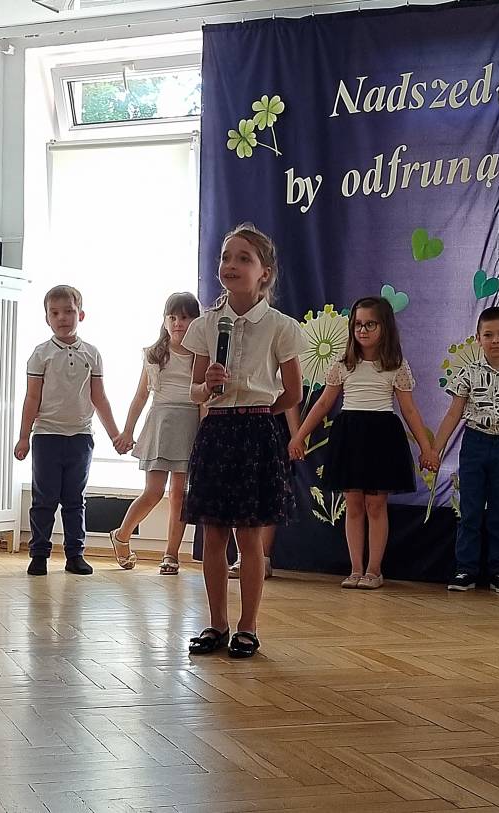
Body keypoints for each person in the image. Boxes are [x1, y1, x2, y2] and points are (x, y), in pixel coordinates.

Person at [184, 223, 305, 659]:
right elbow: (194, 390)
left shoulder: (280, 326)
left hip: (256, 432)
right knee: (213, 533)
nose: (231, 265)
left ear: (264, 273)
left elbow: (293, 393)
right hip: (216, 430)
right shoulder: (205, 325)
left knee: (249, 536)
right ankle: (216, 623)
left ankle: (247, 627)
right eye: (225, 257)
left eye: (243, 258)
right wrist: (207, 386)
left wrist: (259, 411)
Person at [289, 297, 436, 589]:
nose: (363, 330)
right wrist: (299, 435)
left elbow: (409, 410)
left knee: (375, 505)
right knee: (353, 504)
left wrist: (426, 448)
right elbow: (323, 404)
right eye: (358, 324)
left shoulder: (395, 365)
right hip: (350, 435)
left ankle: (373, 570)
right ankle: (355, 568)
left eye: (370, 324)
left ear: (385, 327)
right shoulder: (343, 364)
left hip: (382, 437)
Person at [14, 285, 131, 576]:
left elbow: (99, 397)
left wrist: (115, 434)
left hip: (80, 436)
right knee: (44, 499)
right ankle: (39, 554)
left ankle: (75, 554)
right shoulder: (41, 354)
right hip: (47, 436)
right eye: (55, 313)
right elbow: (32, 397)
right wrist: (24, 436)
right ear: (47, 319)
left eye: (68, 311)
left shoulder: (92, 353)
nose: (62, 318)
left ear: (81, 314)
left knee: (75, 499)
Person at [432, 305, 499, 593]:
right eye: (489, 335)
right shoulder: (468, 373)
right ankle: (465, 569)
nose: (495, 341)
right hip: (475, 443)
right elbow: (453, 413)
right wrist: (435, 449)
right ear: (478, 338)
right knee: (470, 509)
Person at [110, 292, 201, 574]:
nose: (178, 323)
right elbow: (140, 396)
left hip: (189, 425)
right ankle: (122, 535)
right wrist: (127, 431)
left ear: (196, 321)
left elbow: (205, 399)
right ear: (164, 320)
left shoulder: (202, 355)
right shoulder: (155, 354)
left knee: (180, 494)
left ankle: (171, 554)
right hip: (161, 423)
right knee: (153, 491)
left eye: (184, 317)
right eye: (172, 317)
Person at [229, 407, 301, 580]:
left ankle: (263, 558)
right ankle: (241, 557)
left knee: (267, 492)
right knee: (235, 490)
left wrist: (296, 436)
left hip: (268, 425)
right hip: (231, 426)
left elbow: (290, 401)